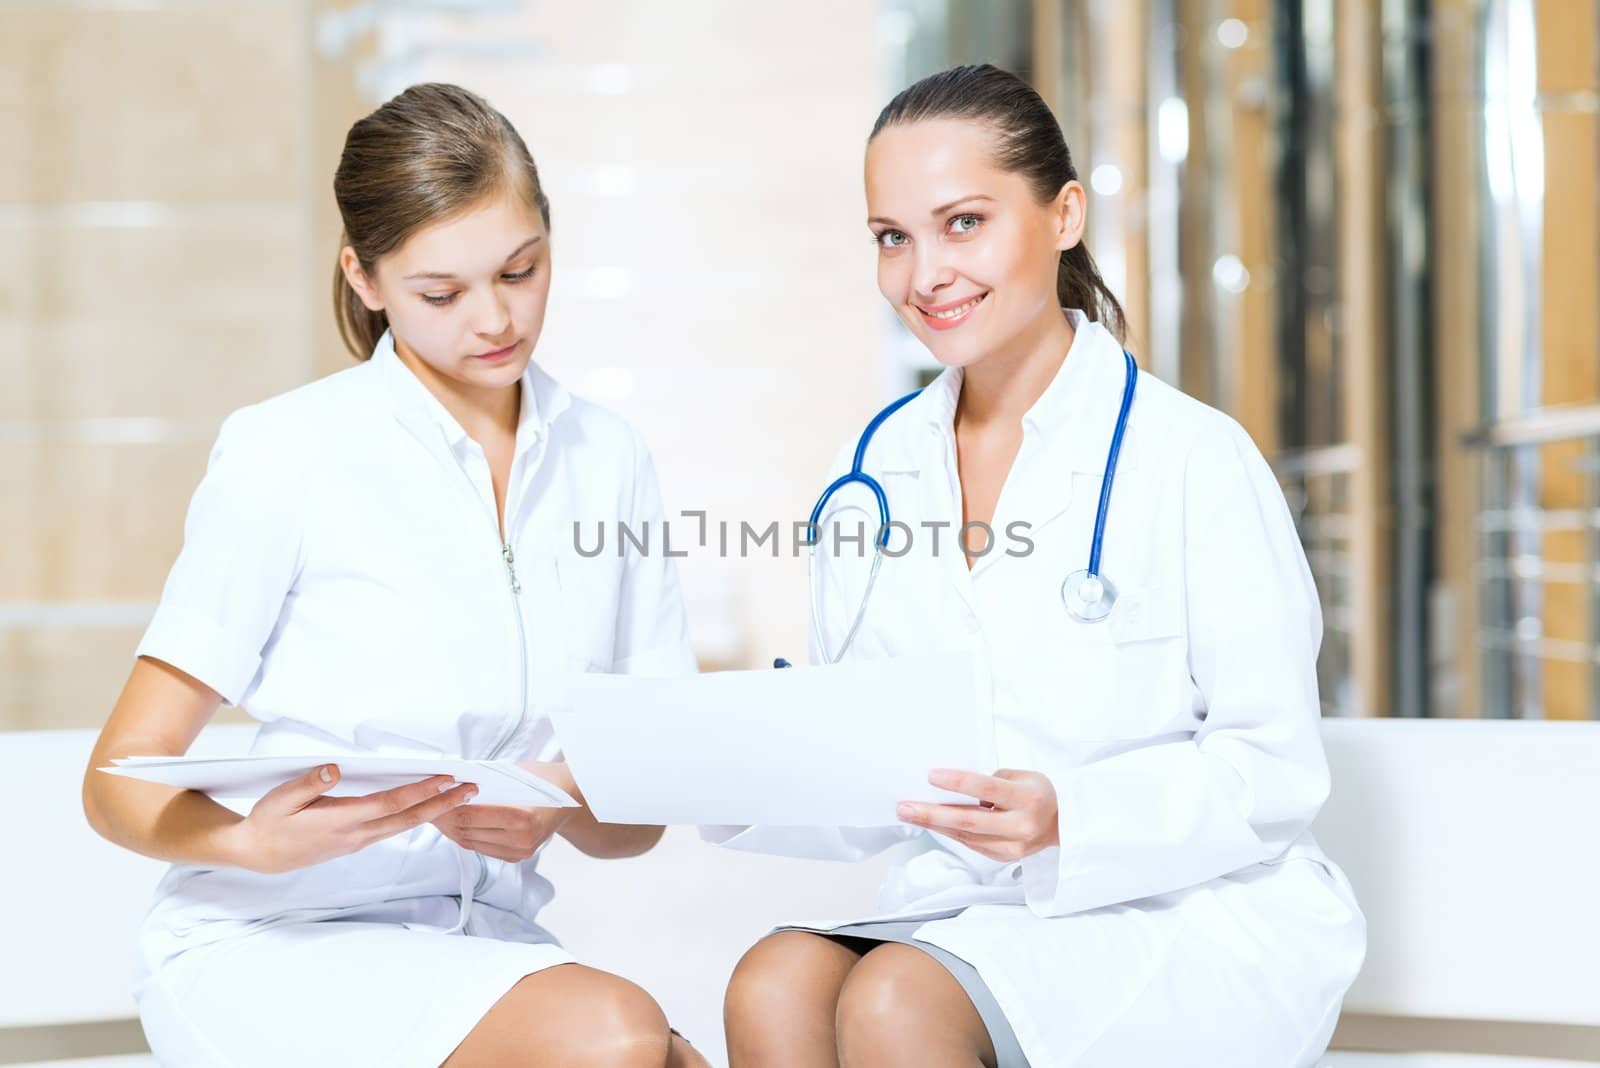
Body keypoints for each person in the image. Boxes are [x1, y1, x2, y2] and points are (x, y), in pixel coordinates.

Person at [713, 64, 1366, 1068]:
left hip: (1189, 909)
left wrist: (1073, 816)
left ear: (1062, 214)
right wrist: (715, 765)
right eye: (893, 238)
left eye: (962, 222)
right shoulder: (874, 476)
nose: (923, 273)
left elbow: (1270, 772)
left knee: (893, 1002)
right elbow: (871, 772)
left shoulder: (1191, 457)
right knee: (774, 983)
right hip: (975, 907)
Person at [82, 82, 706, 1068]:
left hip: (481, 946)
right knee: (621, 1034)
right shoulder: (288, 453)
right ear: (364, 279)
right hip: (272, 944)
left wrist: (563, 804)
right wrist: (258, 843)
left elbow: (638, 824)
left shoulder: (608, 459)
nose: (495, 319)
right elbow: (116, 780)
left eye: (521, 269)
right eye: (441, 293)